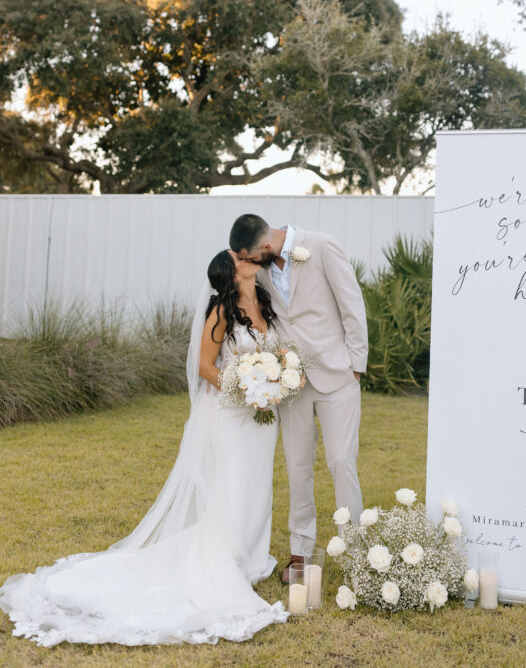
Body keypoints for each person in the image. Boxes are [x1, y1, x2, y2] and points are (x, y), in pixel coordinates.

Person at [0, 251, 288, 646]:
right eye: (241, 259)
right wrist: (245, 391)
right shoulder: (221, 312)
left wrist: (277, 381)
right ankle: (227, 558)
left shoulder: (267, 305)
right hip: (233, 414)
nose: (250, 260)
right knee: (233, 484)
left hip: (263, 417)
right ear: (231, 272)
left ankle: (253, 555)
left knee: (257, 483)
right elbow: (206, 366)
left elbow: (278, 355)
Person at [229, 214, 368, 583]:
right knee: (297, 467)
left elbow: (352, 305)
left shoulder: (321, 246)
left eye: (248, 257)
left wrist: (356, 365)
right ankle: (301, 552)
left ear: (266, 246)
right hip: (291, 384)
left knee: (341, 461)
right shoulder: (257, 267)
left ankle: (355, 552)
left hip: (338, 376)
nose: (247, 264)